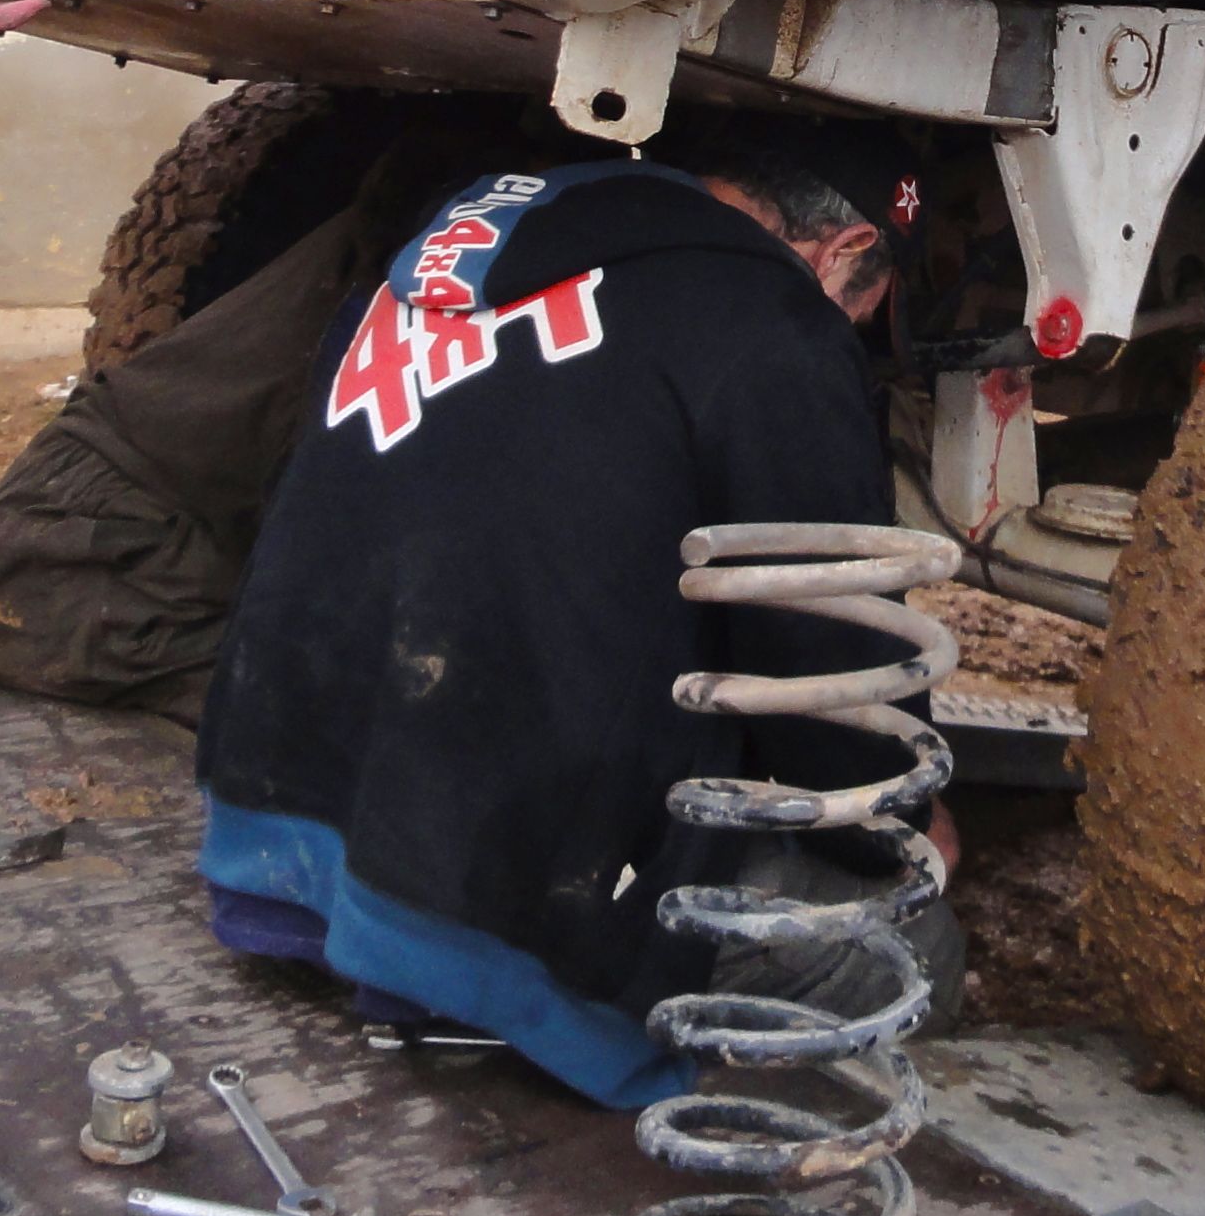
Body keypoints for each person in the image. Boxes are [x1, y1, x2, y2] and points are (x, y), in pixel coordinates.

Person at [193, 124, 951, 1106]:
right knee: (911, 943)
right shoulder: (770, 316)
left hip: (274, 849)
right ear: (845, 249)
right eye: (860, 309)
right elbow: (822, 660)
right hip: (477, 913)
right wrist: (902, 821)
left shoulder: (456, 245)